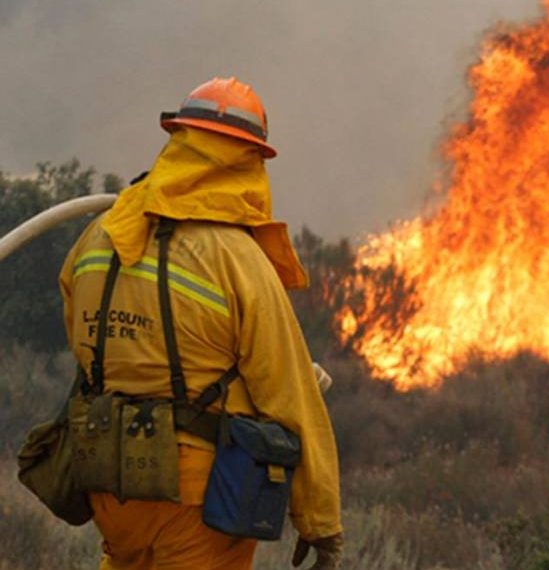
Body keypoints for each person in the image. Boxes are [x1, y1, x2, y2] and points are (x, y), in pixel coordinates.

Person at [58, 77, 342, 569]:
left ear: (179, 140)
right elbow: (290, 396)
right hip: (198, 494)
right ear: (247, 160)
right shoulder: (236, 258)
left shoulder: (100, 235)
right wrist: (320, 522)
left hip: (108, 479)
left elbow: (81, 339)